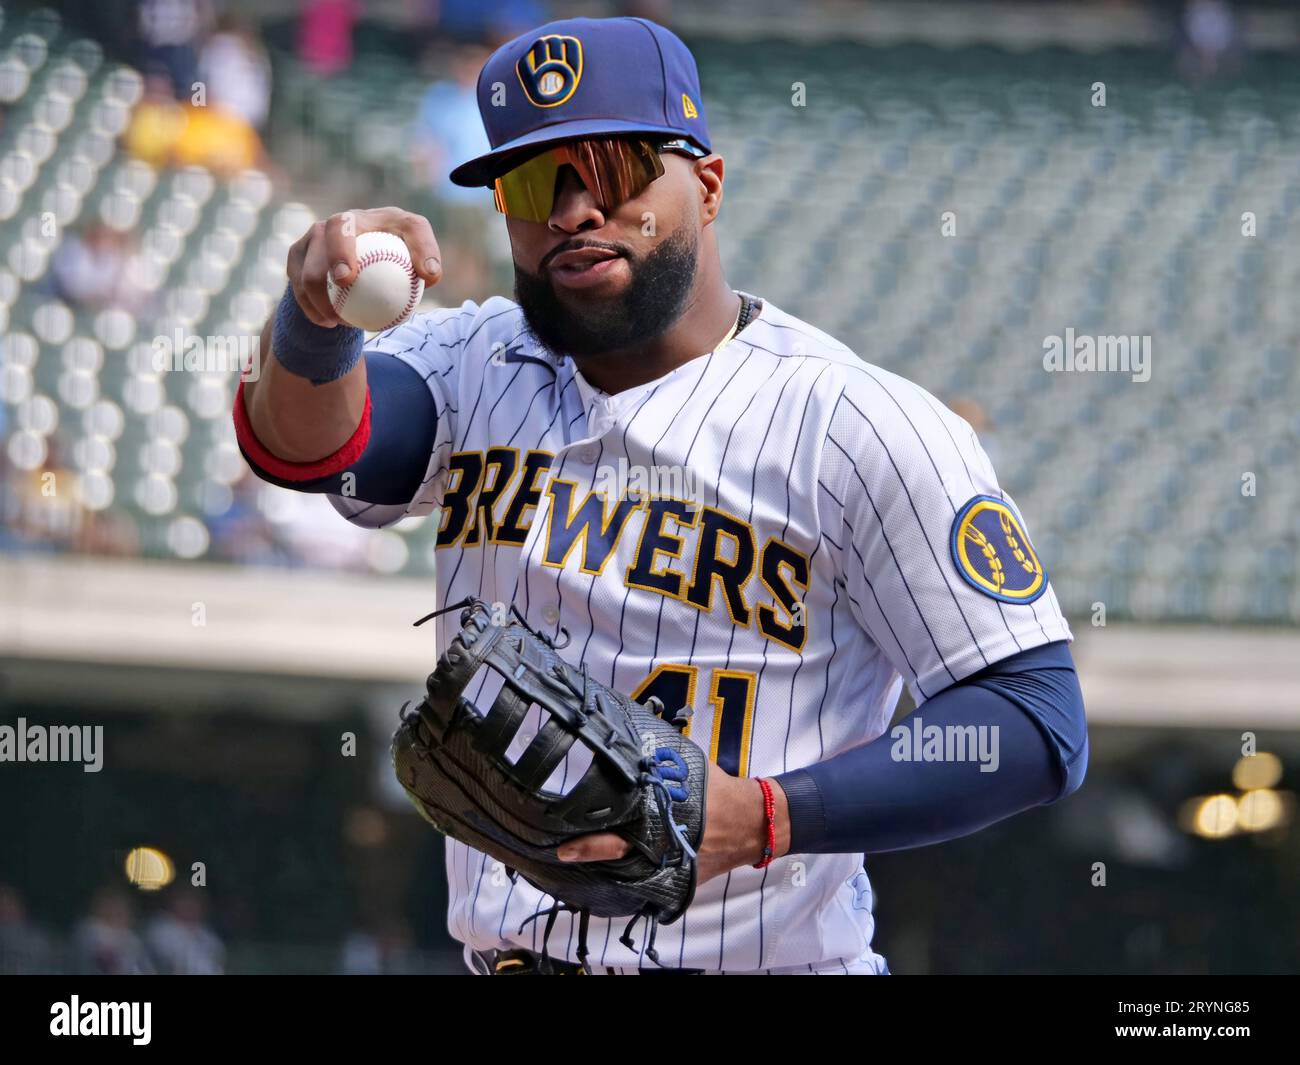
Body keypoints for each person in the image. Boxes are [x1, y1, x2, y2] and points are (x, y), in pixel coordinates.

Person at [235, 17, 1088, 974]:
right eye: (531, 183)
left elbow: (1031, 722)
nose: (570, 209)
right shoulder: (474, 361)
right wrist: (313, 323)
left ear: (707, 186)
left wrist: (767, 816)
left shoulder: (860, 423)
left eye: (610, 168)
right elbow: (313, 447)